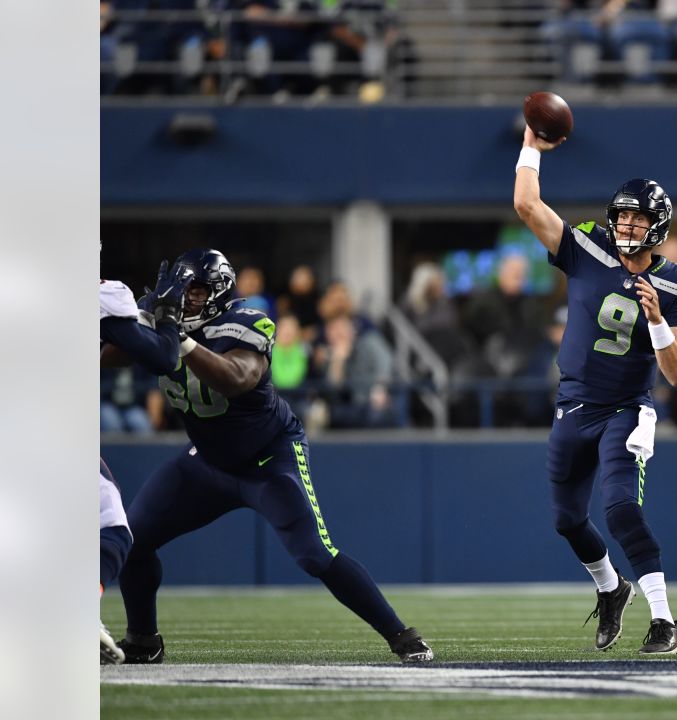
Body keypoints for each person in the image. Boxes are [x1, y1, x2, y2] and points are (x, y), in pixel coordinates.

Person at [103, 249, 433, 664]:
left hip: (268, 458)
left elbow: (236, 378)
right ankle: (143, 640)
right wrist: (125, 321)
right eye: (183, 290)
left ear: (219, 291)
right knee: (132, 540)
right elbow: (108, 358)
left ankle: (400, 633)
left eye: (197, 290)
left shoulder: (248, 321)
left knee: (315, 553)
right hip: (207, 461)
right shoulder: (165, 322)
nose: (187, 299)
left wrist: (178, 337)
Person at [514, 126, 677, 654]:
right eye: (622, 214)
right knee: (566, 520)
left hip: (626, 407)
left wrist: (659, 322)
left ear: (657, 226)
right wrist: (532, 143)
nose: (626, 224)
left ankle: (666, 623)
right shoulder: (586, 248)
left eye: (638, 217)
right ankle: (611, 588)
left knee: (621, 508)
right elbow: (527, 204)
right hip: (573, 403)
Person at [98, 262, 191, 664]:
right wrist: (167, 317)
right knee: (113, 525)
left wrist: (140, 314)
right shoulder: (99, 293)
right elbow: (163, 358)